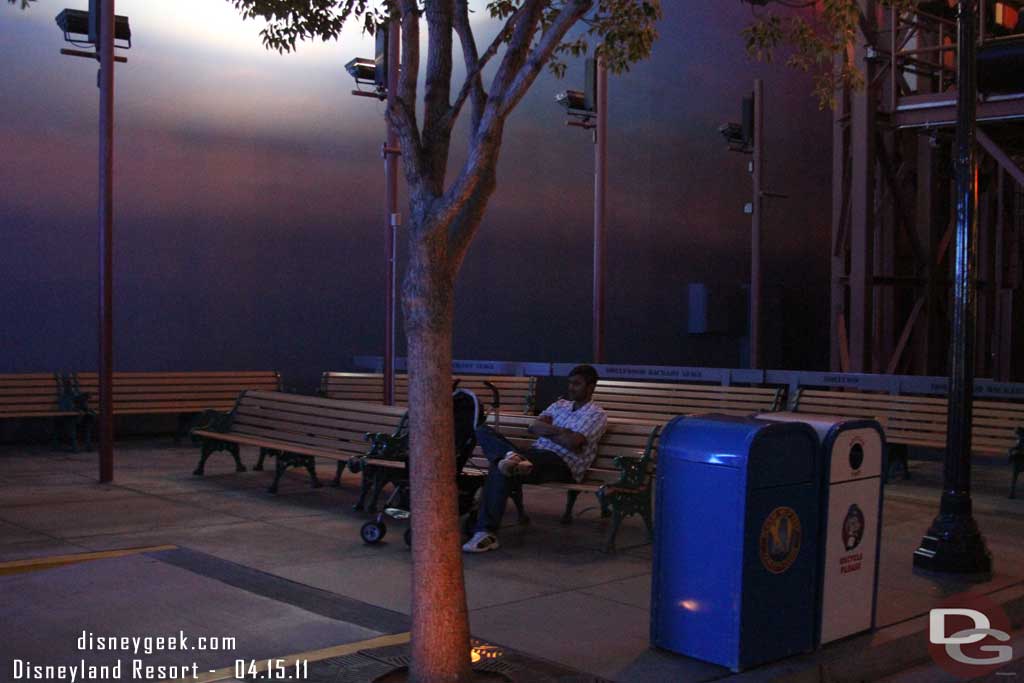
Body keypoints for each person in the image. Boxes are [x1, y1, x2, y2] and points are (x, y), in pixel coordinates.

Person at [462, 364, 607, 553]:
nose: (571, 387)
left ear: (591, 386)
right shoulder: (560, 404)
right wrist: (563, 432)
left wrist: (552, 431)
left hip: (562, 464)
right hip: (535, 456)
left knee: (501, 467)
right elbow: (534, 427)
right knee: (483, 430)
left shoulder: (596, 414)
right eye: (570, 383)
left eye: (577, 384)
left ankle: (484, 530)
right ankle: (510, 458)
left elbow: (574, 443)